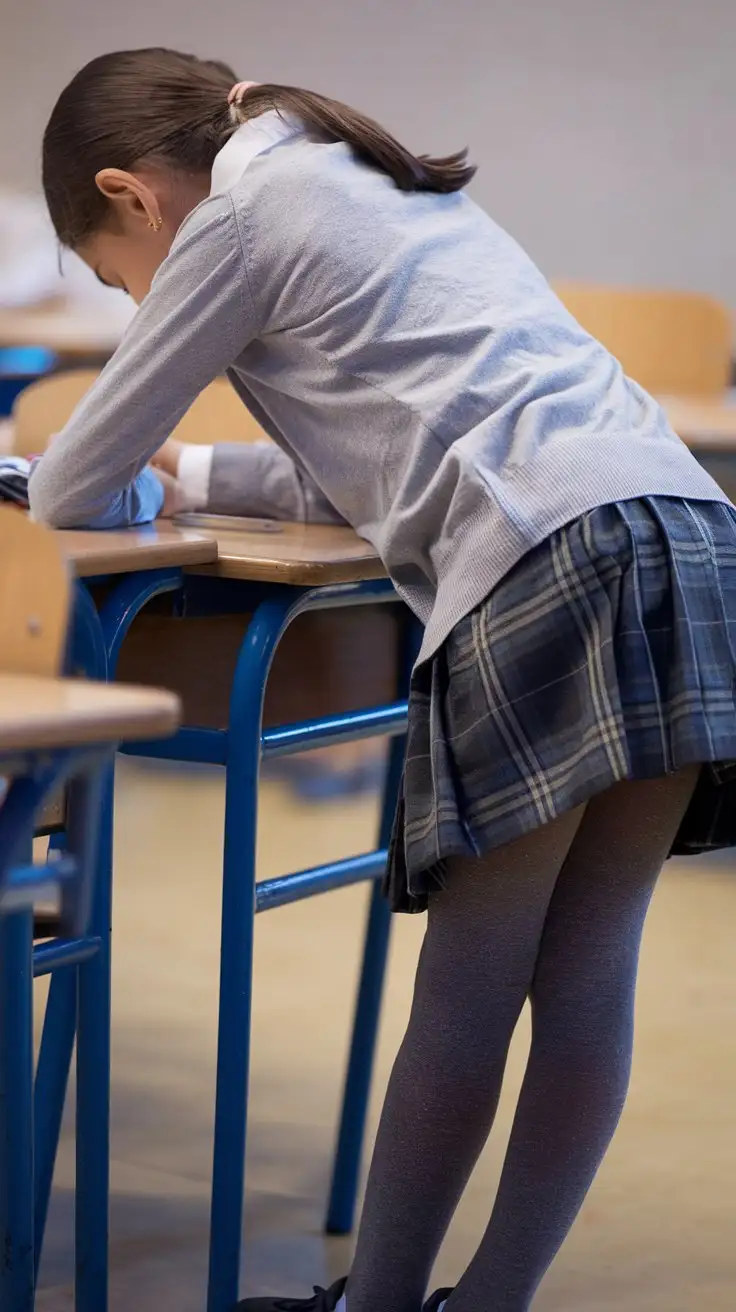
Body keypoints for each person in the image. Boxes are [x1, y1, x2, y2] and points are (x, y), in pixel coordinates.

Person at [33, 48, 736, 1312]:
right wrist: (192, 475)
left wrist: (119, 471)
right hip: (684, 537)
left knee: (470, 986)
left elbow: (75, 481)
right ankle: (488, 1301)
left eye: (109, 273)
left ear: (129, 196)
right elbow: (370, 459)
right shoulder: (359, 178)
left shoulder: (236, 220)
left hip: (552, 553)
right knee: (586, 974)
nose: (132, 299)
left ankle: (379, 1303)